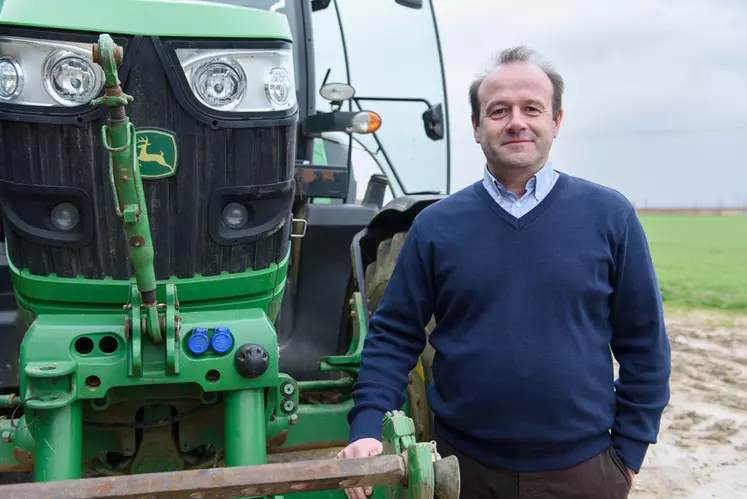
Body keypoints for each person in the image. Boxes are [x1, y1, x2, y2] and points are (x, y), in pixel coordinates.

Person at [336, 46, 672, 499]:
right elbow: (394, 335)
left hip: (584, 473)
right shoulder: (436, 226)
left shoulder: (609, 216)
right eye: (498, 111)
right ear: (476, 127)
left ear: (556, 121)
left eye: (531, 108)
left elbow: (645, 345)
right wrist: (367, 425)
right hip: (461, 472)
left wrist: (626, 455)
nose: (516, 121)